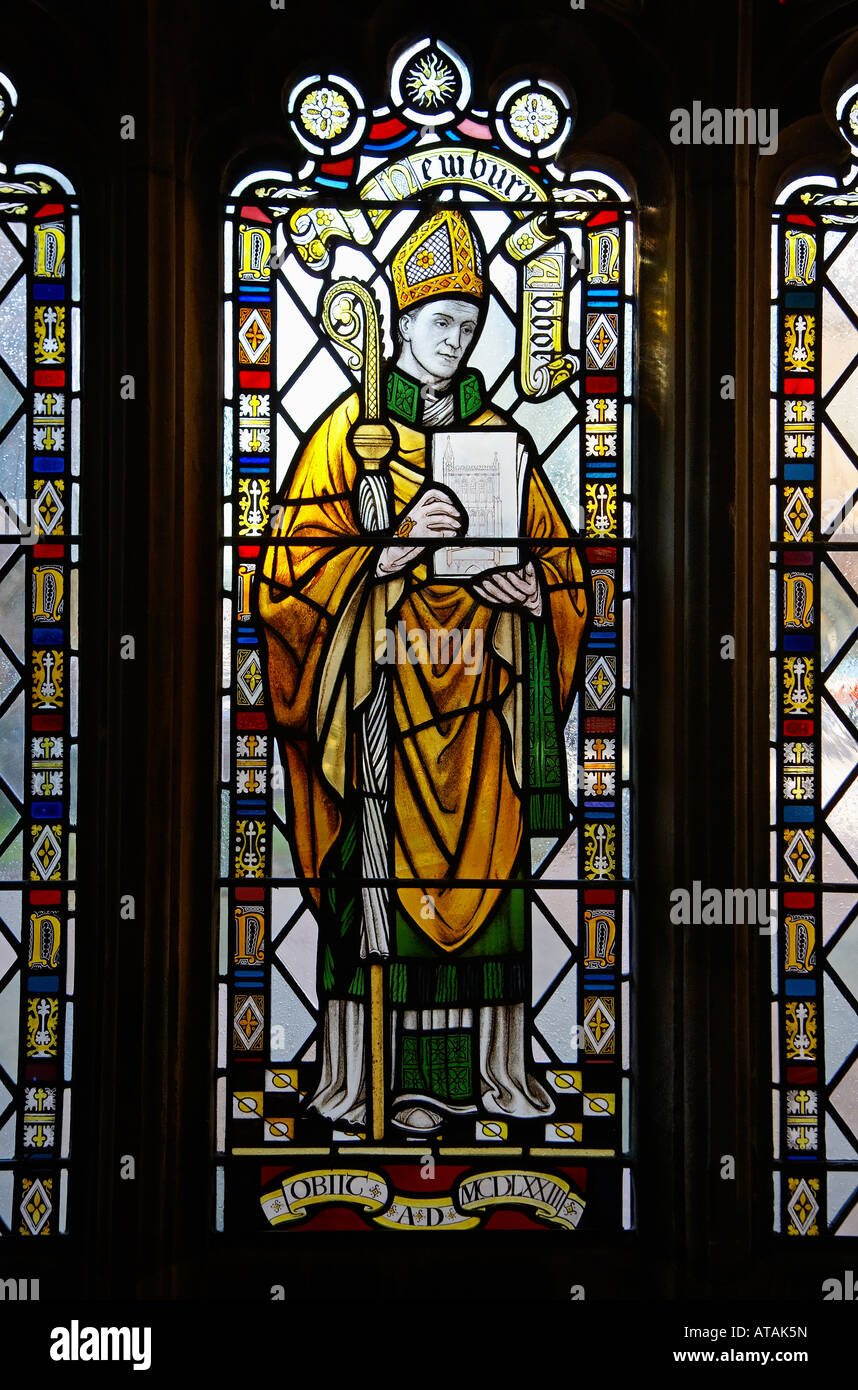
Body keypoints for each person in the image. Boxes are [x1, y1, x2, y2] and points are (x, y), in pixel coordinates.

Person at [257, 209, 588, 1135]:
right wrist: (392, 550)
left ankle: (493, 1080)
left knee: (490, 899)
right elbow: (284, 582)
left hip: (482, 712)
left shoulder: (505, 446)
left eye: (472, 325)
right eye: (442, 321)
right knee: (380, 908)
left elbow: (566, 576)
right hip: (379, 713)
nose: (458, 340)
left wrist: (534, 596)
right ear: (400, 325)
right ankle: (362, 1086)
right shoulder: (346, 441)